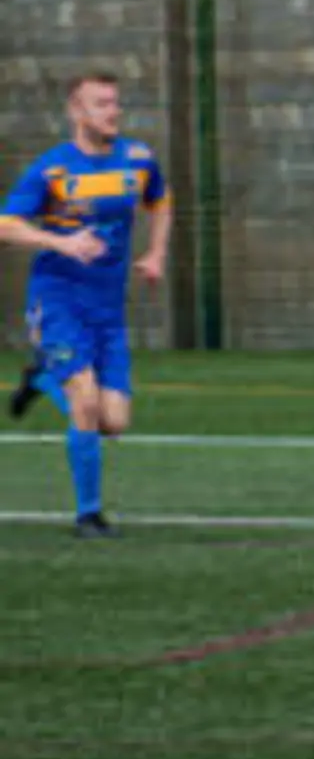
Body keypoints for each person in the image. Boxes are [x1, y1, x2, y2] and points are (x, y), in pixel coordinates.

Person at [0, 74, 172, 538]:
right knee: (84, 402)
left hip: (108, 309)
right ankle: (88, 515)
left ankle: (39, 377)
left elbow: (161, 201)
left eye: (115, 102)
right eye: (101, 104)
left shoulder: (137, 159)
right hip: (58, 299)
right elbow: (5, 224)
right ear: (76, 112)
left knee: (113, 423)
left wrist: (156, 253)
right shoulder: (52, 169)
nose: (112, 112)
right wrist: (60, 241)